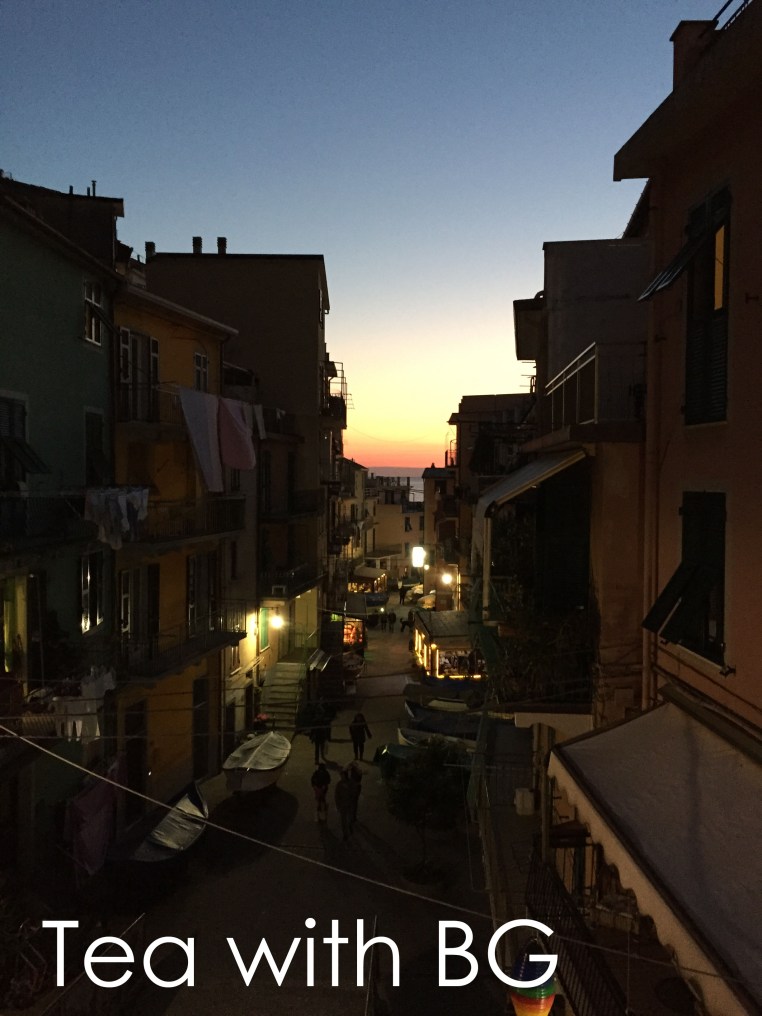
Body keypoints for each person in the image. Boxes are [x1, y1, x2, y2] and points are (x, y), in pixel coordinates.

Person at [334, 768, 354, 840]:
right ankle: (345, 834)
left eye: (343, 775)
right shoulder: (339, 784)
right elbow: (336, 795)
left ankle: (350, 826)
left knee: (349, 818)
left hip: (349, 804)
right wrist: (337, 805)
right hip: (342, 805)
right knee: (343, 820)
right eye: (341, 775)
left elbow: (353, 793)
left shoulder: (350, 783)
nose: (342, 777)